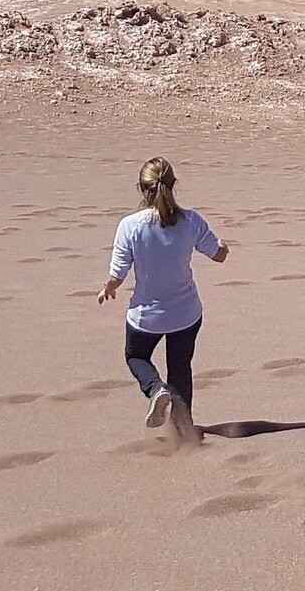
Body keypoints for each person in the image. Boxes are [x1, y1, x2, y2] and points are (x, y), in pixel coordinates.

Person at [98, 157, 229, 432]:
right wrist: (224, 248)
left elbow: (118, 275)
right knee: (180, 368)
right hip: (186, 312)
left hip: (147, 316)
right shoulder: (191, 221)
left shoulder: (130, 226)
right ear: (173, 185)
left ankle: (155, 388)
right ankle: (183, 429)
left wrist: (108, 288)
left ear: (140, 188)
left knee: (136, 356)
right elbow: (218, 256)